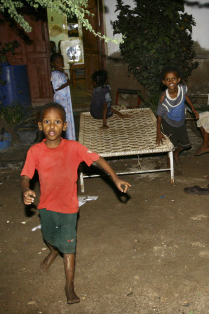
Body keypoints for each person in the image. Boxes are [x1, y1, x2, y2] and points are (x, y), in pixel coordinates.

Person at [21, 102, 131, 304]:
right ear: (40, 126)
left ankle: (69, 286)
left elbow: (98, 160)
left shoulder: (74, 148)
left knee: (69, 246)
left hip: (69, 208)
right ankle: (54, 251)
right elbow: (26, 175)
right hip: (46, 206)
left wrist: (115, 178)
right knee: (50, 237)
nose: (52, 126)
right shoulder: (35, 151)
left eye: (57, 121)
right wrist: (26, 190)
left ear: (64, 126)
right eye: (47, 121)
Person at [156, 66, 198, 167]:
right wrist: (158, 132)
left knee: (186, 144)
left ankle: (176, 154)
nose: (171, 81)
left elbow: (185, 96)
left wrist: (193, 109)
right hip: (168, 122)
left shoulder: (182, 88)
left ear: (178, 80)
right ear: (164, 82)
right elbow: (159, 116)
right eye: (168, 79)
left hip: (180, 121)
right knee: (171, 145)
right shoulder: (164, 100)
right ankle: (169, 167)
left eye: (173, 78)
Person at [50, 53, 76, 140]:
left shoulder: (60, 73)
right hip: (61, 100)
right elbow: (56, 88)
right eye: (58, 62)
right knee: (62, 117)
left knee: (67, 117)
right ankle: (62, 137)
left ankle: (69, 137)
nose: (60, 64)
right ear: (52, 64)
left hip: (65, 100)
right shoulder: (55, 74)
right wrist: (67, 83)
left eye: (61, 62)